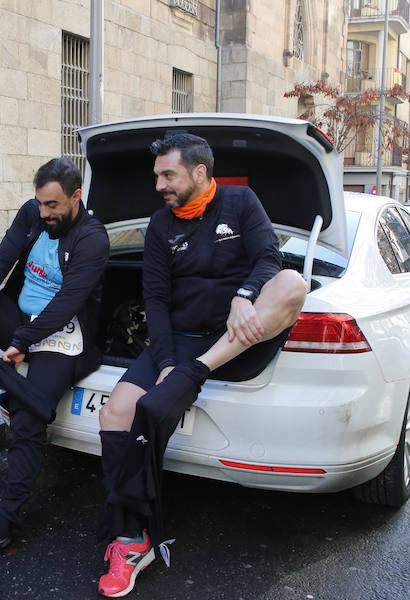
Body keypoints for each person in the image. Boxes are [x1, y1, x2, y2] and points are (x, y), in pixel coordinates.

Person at [95, 132, 308, 597]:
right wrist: (169, 363)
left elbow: (269, 258)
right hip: (179, 340)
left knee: (293, 282)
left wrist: (244, 296)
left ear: (199, 173)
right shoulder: (159, 225)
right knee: (115, 413)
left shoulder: (241, 202)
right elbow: (154, 298)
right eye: (156, 176)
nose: (159, 185)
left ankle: (197, 372)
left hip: (234, 339)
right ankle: (131, 535)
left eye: (167, 175)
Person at [0, 158, 110, 563]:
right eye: (40, 203)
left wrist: (20, 342)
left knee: (28, 417)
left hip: (63, 334)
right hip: (20, 318)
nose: (45, 213)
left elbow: (68, 302)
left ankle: (2, 527)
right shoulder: (31, 214)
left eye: (53, 205)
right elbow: (1, 261)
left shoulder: (93, 238)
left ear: (76, 197)